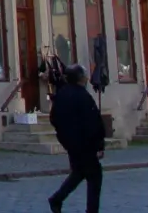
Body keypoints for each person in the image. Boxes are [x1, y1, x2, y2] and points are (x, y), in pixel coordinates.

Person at [48, 64, 105, 213]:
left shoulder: (62, 94)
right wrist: (99, 145)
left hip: (70, 144)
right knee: (94, 177)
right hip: (85, 144)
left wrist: (64, 136)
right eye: (85, 76)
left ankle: (56, 199)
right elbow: (93, 122)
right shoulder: (83, 96)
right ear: (81, 79)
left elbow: (53, 118)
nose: (86, 78)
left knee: (79, 173)